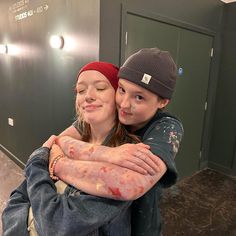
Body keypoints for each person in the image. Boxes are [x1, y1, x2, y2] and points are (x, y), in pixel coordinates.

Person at [2, 61, 156, 236]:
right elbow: (18, 198)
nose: (88, 96)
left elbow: (56, 225)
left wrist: (37, 161)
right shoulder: (65, 143)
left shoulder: (128, 155)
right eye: (81, 90)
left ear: (117, 97)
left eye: (100, 88)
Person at [49, 48, 184, 235]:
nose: (124, 104)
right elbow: (56, 141)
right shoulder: (112, 112)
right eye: (121, 90)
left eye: (139, 97)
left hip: (141, 226)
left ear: (162, 102)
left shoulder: (166, 127)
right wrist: (109, 154)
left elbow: (128, 184)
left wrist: (57, 164)